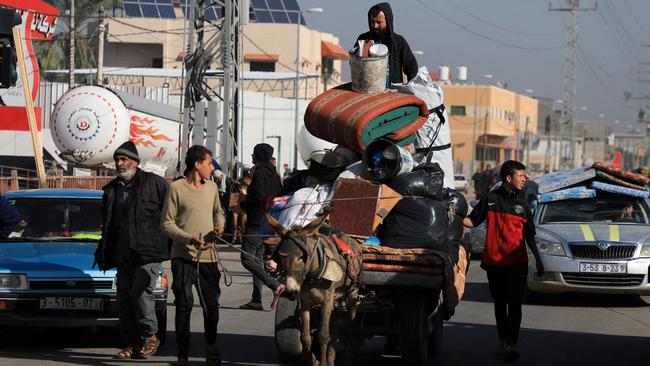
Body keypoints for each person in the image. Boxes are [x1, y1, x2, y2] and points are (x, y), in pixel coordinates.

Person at [93, 141, 169, 360]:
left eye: (124, 159)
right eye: (117, 159)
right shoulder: (111, 190)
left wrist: (169, 244)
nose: (119, 163)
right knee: (124, 299)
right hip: (123, 253)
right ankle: (131, 343)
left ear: (135, 162)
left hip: (148, 251)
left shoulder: (154, 183)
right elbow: (108, 224)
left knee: (141, 294)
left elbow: (171, 213)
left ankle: (150, 336)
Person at [462, 160, 544, 363]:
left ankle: (511, 343)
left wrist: (539, 260)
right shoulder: (489, 199)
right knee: (499, 303)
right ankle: (503, 340)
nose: (524, 179)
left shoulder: (523, 204)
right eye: (521, 175)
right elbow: (472, 221)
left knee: (515, 305)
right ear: (508, 178)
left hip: (517, 264)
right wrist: (453, 215)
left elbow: (530, 235)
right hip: (494, 264)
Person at [162, 145, 225, 366]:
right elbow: (167, 224)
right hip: (183, 257)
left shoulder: (212, 189)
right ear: (197, 165)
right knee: (184, 305)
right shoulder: (176, 188)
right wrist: (190, 239)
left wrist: (219, 226)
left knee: (212, 307)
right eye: (209, 163)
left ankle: (210, 346)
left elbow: (218, 212)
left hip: (209, 259)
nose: (212, 167)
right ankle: (182, 356)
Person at [239, 143, 284, 311]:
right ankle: (256, 299)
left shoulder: (259, 172)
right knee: (257, 260)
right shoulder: (275, 174)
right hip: (269, 222)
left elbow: (257, 196)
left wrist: (244, 203)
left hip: (256, 222)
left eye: (253, 154)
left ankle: (275, 285)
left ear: (257, 156)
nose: (252, 157)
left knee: (247, 259)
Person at [356, 2, 418, 85]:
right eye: (372, 21)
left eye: (378, 22)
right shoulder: (363, 39)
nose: (375, 26)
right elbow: (354, 63)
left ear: (388, 21)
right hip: (368, 89)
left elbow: (411, 67)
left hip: (391, 92)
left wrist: (411, 87)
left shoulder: (399, 42)